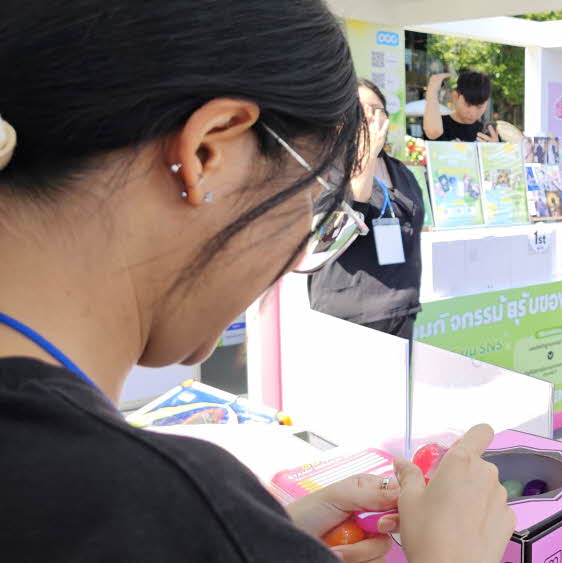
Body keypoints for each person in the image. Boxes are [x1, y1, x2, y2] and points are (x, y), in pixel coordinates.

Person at [0, 2, 515, 562]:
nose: (297, 253)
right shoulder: (148, 504)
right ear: (209, 152)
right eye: (312, 196)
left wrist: (263, 540)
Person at [311, 80, 426, 340]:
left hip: (400, 307)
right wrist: (367, 155)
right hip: (349, 313)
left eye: (377, 109)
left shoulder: (401, 171)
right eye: (361, 110)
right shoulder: (328, 168)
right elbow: (338, 226)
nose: (371, 117)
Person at [423, 71, 497, 143]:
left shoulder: (486, 134)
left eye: (479, 107)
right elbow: (433, 132)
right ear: (455, 96)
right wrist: (432, 91)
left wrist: (495, 148)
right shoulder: (438, 123)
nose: (473, 113)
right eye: (468, 105)